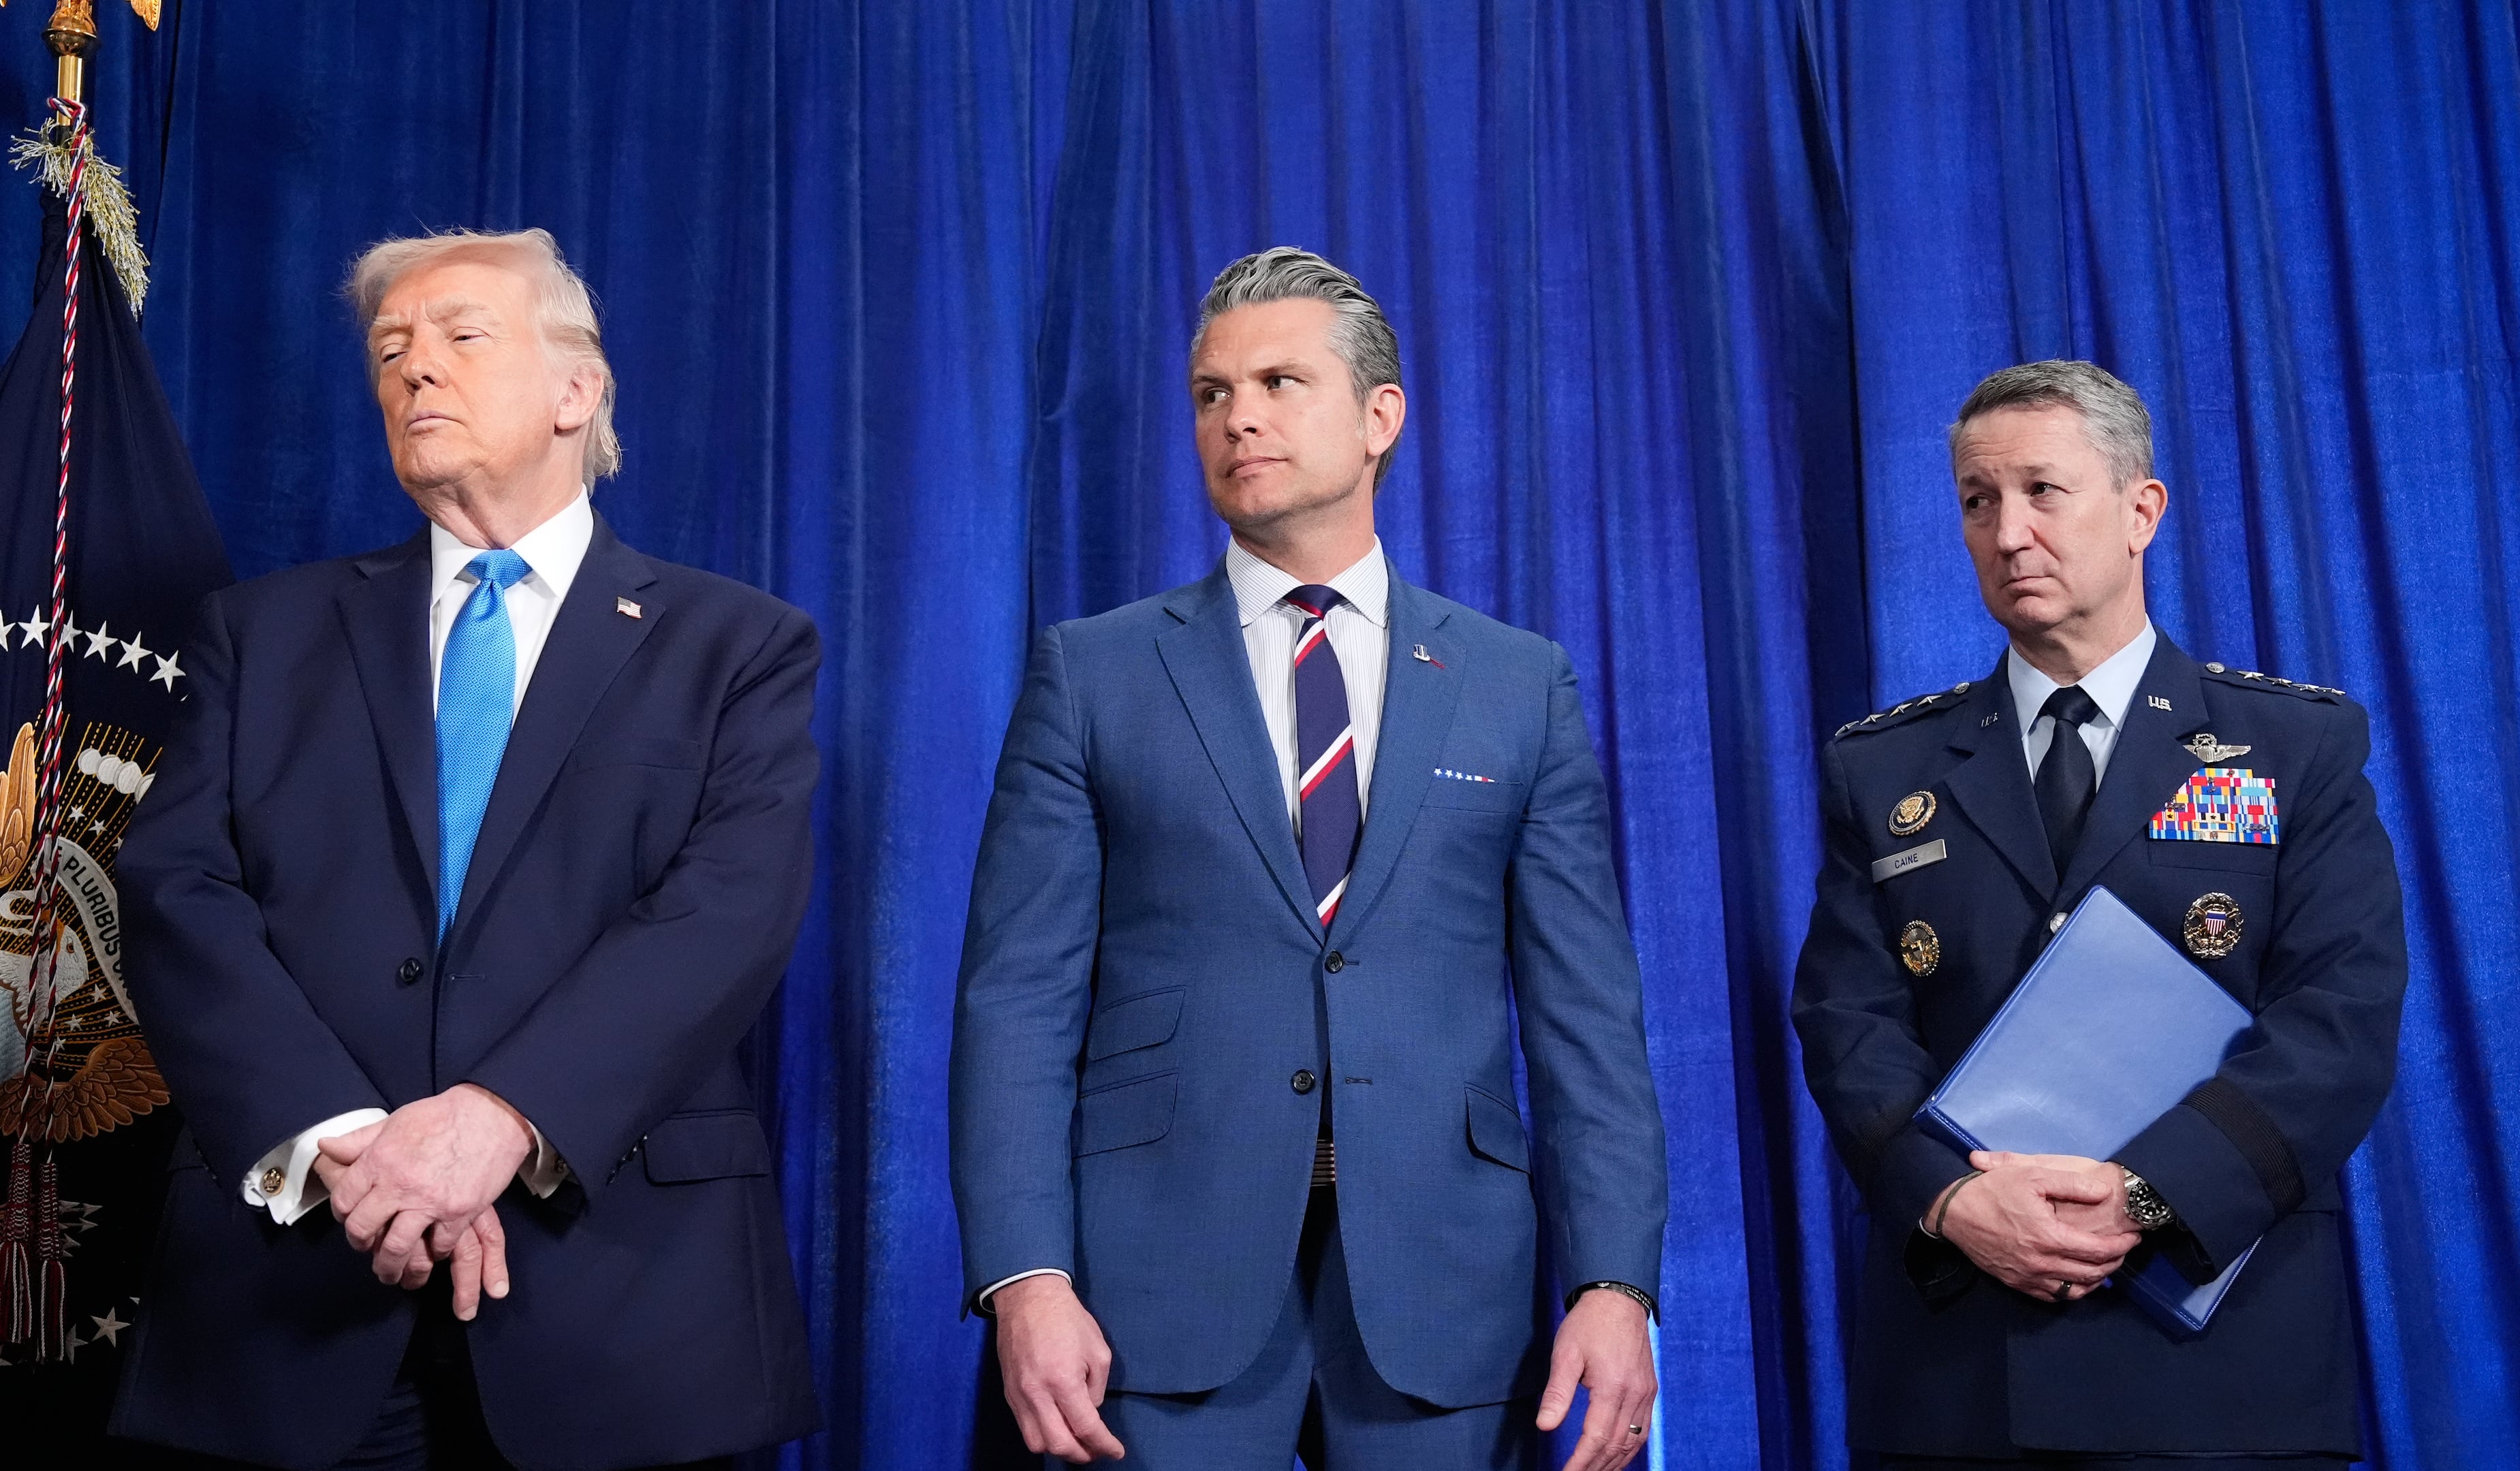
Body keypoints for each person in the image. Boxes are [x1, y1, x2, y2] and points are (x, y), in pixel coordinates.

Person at [109, 228, 820, 1470]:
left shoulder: (736, 647)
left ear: (576, 389)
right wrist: (341, 1142)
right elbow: (178, 889)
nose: (414, 371)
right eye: (391, 350)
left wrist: (499, 1120)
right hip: (295, 1296)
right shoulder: (262, 634)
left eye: (460, 338)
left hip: (624, 1310)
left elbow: (727, 912)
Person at [950, 247, 1669, 1471]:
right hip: (1151, 1294)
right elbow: (1016, 1001)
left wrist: (1616, 1284)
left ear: (1381, 416)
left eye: (1282, 382)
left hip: (1445, 1294)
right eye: (1212, 393)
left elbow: (1586, 1016)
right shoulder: (1095, 672)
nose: (1240, 417)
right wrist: (1026, 1278)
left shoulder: (1516, 683)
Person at [1791, 360, 2407, 1468]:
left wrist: (2145, 1195)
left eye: (2043, 491)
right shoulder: (1882, 769)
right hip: (1963, 1369)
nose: (2008, 531)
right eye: (1979, 500)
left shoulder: (2294, 748)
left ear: (2141, 511)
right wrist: (1952, 1205)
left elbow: (2339, 1022)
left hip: (2218, 1365)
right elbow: (1847, 1023)